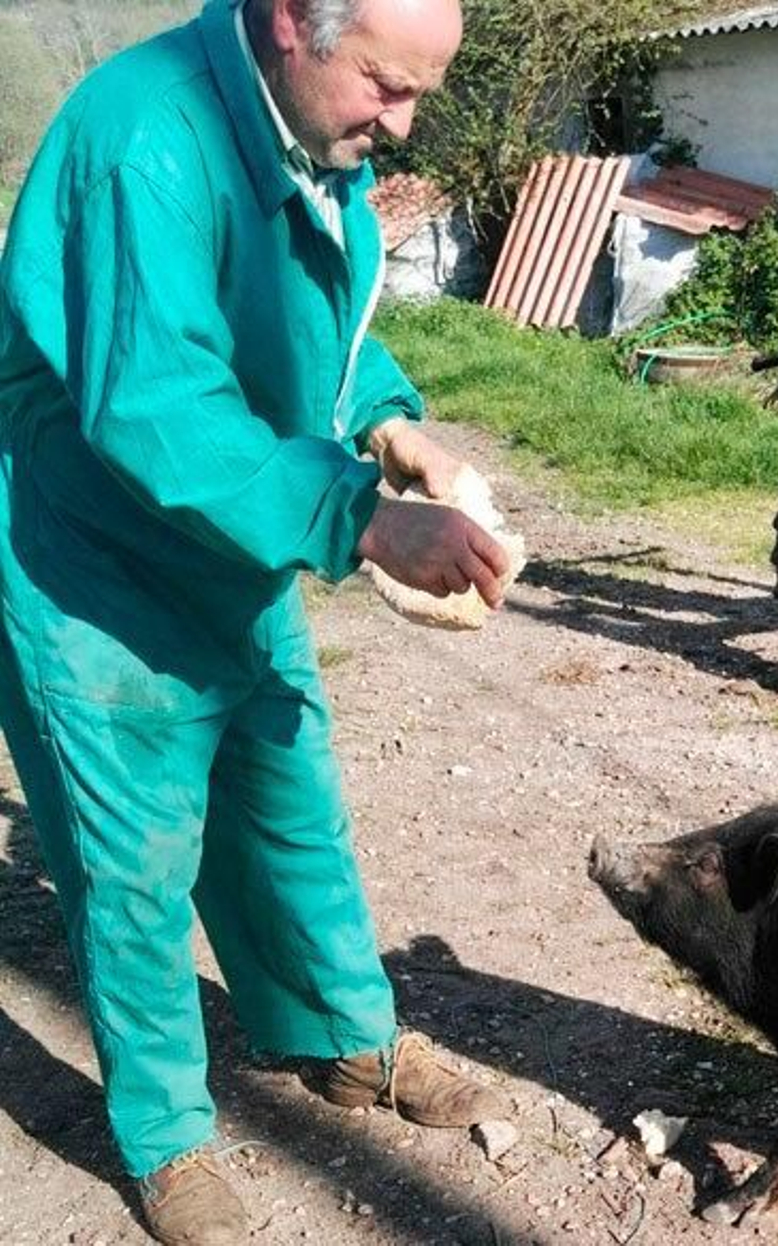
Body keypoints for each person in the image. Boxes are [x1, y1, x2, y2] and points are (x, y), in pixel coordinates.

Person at [0, 0, 514, 1241]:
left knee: (289, 800)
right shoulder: (146, 138)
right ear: (292, 20)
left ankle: (340, 1037)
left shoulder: (306, 131)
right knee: (133, 863)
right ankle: (167, 1136)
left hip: (231, 534)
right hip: (97, 559)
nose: (402, 121)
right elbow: (162, 407)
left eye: (419, 93)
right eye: (386, 86)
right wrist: (365, 522)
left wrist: (395, 429)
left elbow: (313, 327)